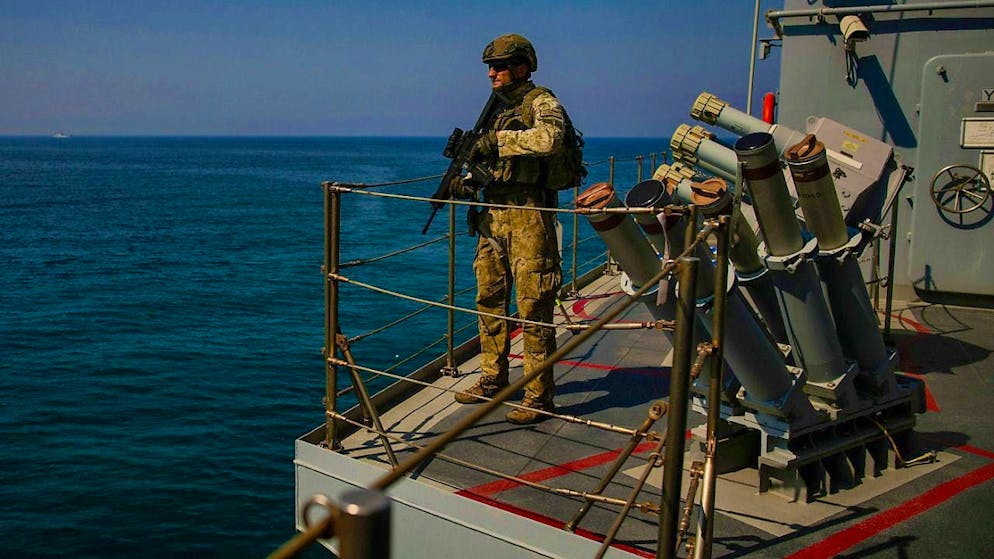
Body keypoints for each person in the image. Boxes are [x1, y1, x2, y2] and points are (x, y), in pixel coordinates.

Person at [452, 33, 568, 425]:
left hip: (529, 215)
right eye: (490, 66)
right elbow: (488, 161)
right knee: (488, 296)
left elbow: (550, 139)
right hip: (493, 214)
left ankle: (538, 395)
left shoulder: (542, 102)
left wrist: (496, 141)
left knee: (534, 305)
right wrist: (466, 180)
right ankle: (492, 377)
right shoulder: (497, 109)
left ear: (522, 67)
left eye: (500, 66)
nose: (492, 74)